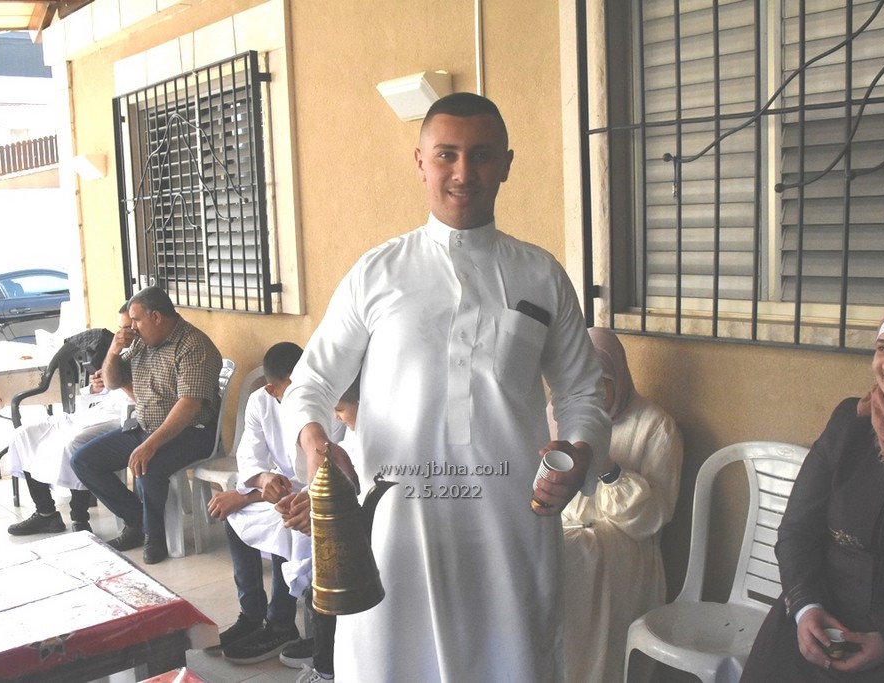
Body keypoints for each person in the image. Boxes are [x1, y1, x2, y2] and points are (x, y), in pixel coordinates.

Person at [282, 92, 611, 682]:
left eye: (481, 155)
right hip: (393, 532)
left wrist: (581, 453)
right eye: (446, 155)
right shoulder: (377, 273)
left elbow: (583, 393)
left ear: (506, 164)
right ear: (420, 162)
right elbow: (311, 380)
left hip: (510, 529)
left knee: (511, 664)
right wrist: (315, 445)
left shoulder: (542, 275)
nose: (463, 172)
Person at [741, 292, 884, 682]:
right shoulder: (850, 424)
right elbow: (797, 530)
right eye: (882, 348)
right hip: (818, 624)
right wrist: (805, 607)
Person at [550, 328, 683, 683]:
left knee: (566, 554)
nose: (591, 395)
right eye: (581, 384)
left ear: (618, 377)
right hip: (568, 530)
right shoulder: (559, 415)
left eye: (601, 383)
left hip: (626, 546)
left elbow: (654, 516)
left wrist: (607, 467)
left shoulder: (655, 426)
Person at [70, 286, 222, 565]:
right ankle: (138, 521)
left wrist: (149, 445)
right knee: (84, 460)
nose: (132, 328)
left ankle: (156, 537)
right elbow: (113, 381)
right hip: (145, 425)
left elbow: (188, 406)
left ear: (156, 317)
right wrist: (114, 350)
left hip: (192, 432)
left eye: (136, 320)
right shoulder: (142, 342)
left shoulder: (194, 346)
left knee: (148, 464)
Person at [203, 342, 304, 663]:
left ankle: (281, 624)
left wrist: (253, 492)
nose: (300, 393)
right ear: (272, 389)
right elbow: (250, 460)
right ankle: (251, 614)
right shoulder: (261, 402)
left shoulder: (321, 399)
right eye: (290, 388)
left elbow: (315, 475)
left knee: (285, 523)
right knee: (236, 517)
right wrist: (262, 481)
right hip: (277, 489)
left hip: (311, 495)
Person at [7, 304, 135, 536]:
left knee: (75, 442)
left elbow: (142, 398)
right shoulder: (118, 352)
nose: (123, 334)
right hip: (100, 410)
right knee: (24, 434)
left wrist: (117, 381)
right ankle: (46, 514)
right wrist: (97, 387)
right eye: (121, 327)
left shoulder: (146, 351)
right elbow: (100, 392)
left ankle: (80, 517)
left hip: (124, 417)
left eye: (129, 327)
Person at [283, 377, 361, 683]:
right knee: (318, 597)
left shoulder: (371, 437)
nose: (337, 418)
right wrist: (304, 505)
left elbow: (360, 488)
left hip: (360, 543)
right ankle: (324, 664)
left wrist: (322, 510)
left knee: (330, 598)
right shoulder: (347, 439)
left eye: (340, 409)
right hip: (341, 537)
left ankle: (326, 671)